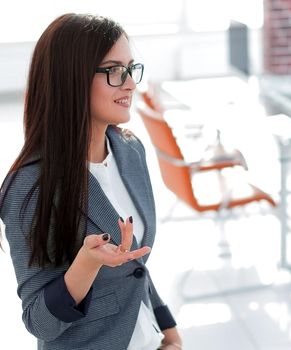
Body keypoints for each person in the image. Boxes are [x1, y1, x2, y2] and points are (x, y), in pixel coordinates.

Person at [0, 14, 182, 349]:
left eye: (130, 69)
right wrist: (87, 262)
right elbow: (39, 321)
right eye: (114, 70)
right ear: (72, 78)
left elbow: (136, 266)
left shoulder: (129, 149)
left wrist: (168, 329)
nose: (130, 84)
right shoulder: (30, 186)